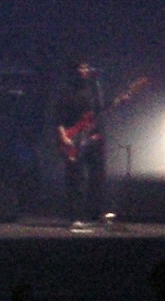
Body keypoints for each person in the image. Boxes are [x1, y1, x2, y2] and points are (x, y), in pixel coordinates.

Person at [55, 60, 106, 227]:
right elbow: (58, 117)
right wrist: (63, 136)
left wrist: (119, 101)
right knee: (76, 178)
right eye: (82, 67)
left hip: (93, 137)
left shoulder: (94, 89)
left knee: (97, 176)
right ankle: (75, 216)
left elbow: (100, 111)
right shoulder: (66, 91)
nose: (86, 70)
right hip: (74, 138)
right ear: (74, 71)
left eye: (87, 67)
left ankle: (95, 214)